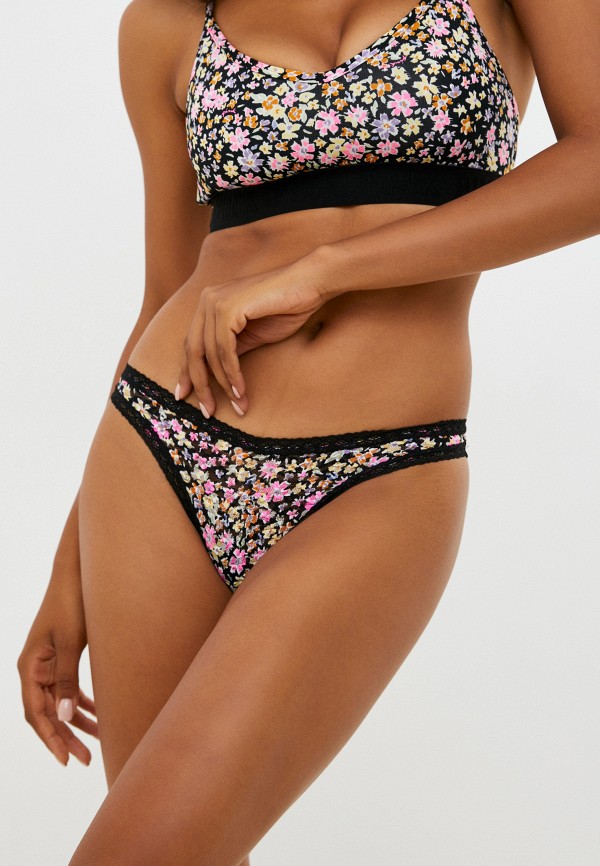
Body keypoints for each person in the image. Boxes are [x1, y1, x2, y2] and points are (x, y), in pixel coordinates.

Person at [16, 0, 599, 863]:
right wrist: (69, 573)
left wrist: (329, 271)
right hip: (161, 448)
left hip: (380, 468)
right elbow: (166, 289)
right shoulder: (166, 25)